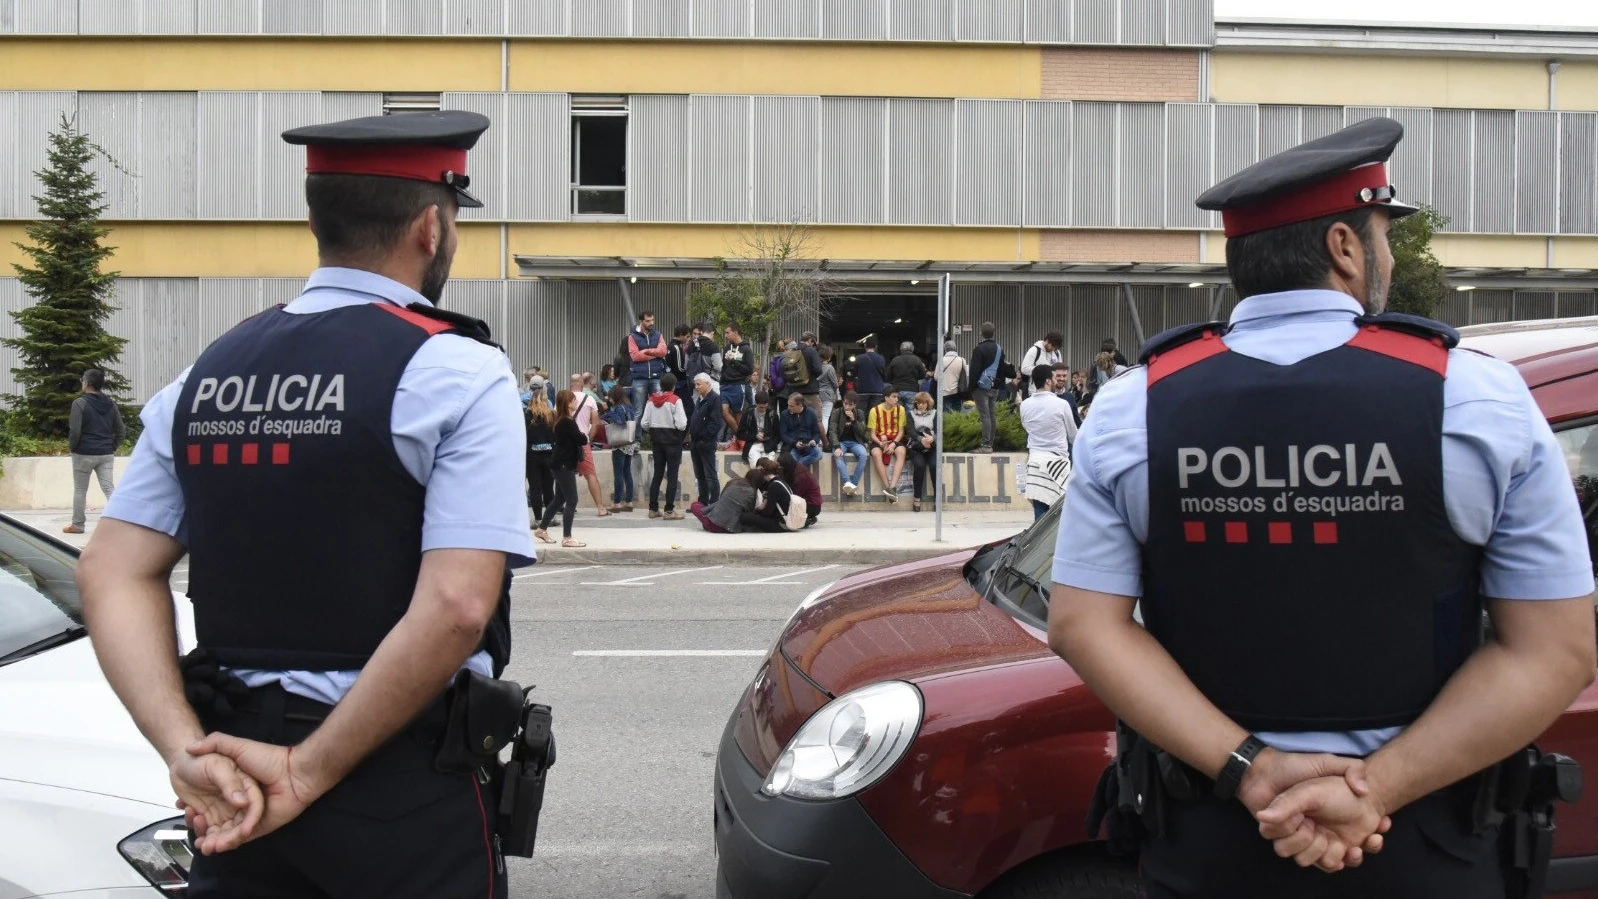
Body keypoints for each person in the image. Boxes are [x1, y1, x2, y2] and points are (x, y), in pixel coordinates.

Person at [1048, 116, 1597, 898]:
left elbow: (1084, 623)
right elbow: (1554, 651)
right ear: (1345, 247)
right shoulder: (1476, 396)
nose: (1389, 255)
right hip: (1427, 846)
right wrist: (1373, 788)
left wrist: (1254, 768)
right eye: (1383, 234)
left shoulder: (1133, 406)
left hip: (1212, 841)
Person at [75, 109, 531, 898]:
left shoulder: (204, 375)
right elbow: (458, 603)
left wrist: (186, 751)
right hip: (394, 782)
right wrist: (306, 770)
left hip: (231, 779)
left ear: (315, 219)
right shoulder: (457, 369)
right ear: (431, 226)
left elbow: (111, 570)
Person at [66, 367, 126, 534]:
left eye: (83, 380)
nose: (82, 382)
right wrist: (112, 447)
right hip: (106, 454)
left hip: (83, 453)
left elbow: (75, 431)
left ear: (87, 383)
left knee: (80, 490)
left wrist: (73, 447)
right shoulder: (111, 404)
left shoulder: (79, 403)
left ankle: (77, 525)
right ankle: (121, 522)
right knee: (109, 488)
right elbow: (121, 430)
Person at [1019, 364, 1076, 520]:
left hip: (1035, 460)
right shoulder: (1062, 404)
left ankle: (1039, 542)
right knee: (1061, 511)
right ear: (1048, 381)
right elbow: (1073, 435)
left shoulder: (1024, 405)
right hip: (1059, 461)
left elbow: (1026, 427)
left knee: (1040, 509)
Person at [535, 388, 588, 548]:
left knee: (559, 498)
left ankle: (542, 529)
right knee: (572, 500)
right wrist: (584, 435)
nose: (576, 401)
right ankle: (567, 537)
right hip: (564, 465)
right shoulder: (567, 421)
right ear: (568, 403)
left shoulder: (561, 419)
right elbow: (581, 439)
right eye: (573, 400)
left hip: (560, 463)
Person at [642, 373, 687, 521]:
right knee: (672, 475)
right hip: (673, 441)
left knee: (657, 474)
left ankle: (653, 508)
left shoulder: (650, 400)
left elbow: (644, 424)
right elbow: (681, 424)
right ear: (673, 386)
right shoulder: (675, 400)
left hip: (657, 441)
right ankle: (669, 510)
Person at [569, 384, 610, 516]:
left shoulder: (563, 398)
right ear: (581, 386)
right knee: (591, 475)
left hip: (566, 444)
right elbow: (596, 422)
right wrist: (588, 439)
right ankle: (600, 508)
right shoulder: (589, 399)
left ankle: (565, 507)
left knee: (565, 476)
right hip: (583, 443)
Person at [691, 467, 767, 534]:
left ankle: (707, 520)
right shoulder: (753, 492)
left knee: (695, 505)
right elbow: (749, 513)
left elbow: (721, 499)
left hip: (712, 523)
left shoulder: (734, 482)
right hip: (730, 527)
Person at [687, 372, 724, 506]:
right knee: (700, 475)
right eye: (695, 384)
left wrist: (704, 437)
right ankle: (702, 502)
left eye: (699, 384)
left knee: (710, 475)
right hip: (695, 443)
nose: (696, 387)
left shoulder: (715, 399)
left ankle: (714, 503)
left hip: (706, 443)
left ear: (708, 384)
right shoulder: (700, 399)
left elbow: (716, 423)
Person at [602, 384, 638, 513]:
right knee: (627, 473)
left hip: (619, 444)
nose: (609, 399)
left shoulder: (618, 408)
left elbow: (619, 421)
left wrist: (607, 412)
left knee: (618, 474)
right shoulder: (629, 407)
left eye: (610, 397)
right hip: (629, 443)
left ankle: (617, 503)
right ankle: (628, 501)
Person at [969, 322, 1004, 454]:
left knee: (985, 416)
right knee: (991, 415)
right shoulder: (999, 349)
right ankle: (990, 444)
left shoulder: (979, 349)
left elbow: (974, 370)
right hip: (994, 387)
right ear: (993, 333)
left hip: (981, 388)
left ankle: (985, 445)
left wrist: (971, 387)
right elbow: (1001, 369)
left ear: (981, 333)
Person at [867, 389, 909, 503]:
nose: (896, 399)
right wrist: (881, 443)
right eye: (894, 397)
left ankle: (893, 487)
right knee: (876, 453)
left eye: (897, 397)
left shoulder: (901, 409)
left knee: (901, 451)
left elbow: (901, 432)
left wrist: (894, 443)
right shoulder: (874, 410)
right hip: (879, 439)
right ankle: (887, 487)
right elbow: (872, 434)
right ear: (886, 398)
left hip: (895, 439)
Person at [524, 379, 556, 523]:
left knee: (535, 487)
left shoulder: (527, 414)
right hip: (549, 454)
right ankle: (550, 518)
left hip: (532, 456)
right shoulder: (551, 414)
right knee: (548, 487)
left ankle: (537, 519)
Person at [829, 391, 870, 496]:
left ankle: (853, 485)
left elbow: (862, 432)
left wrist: (853, 420)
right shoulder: (837, 412)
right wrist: (837, 447)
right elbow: (832, 431)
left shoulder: (859, 413)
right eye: (845, 403)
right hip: (840, 442)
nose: (847, 406)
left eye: (850, 405)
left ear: (855, 405)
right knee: (838, 455)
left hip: (855, 442)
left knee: (863, 455)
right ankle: (847, 482)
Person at [721, 323, 755, 447]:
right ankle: (741, 437)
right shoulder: (726, 348)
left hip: (738, 384)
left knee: (737, 413)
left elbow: (749, 369)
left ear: (735, 332)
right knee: (723, 411)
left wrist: (734, 361)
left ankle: (742, 441)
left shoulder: (746, 349)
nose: (726, 335)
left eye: (727, 332)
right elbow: (724, 367)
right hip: (725, 384)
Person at [627, 310, 669, 412]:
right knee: (639, 410)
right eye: (648, 321)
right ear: (641, 321)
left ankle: (656, 428)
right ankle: (637, 429)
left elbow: (663, 351)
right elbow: (635, 356)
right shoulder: (632, 337)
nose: (651, 323)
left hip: (656, 377)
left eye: (652, 320)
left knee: (659, 408)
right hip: (639, 378)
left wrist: (647, 351)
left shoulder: (658, 335)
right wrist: (654, 355)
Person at [765, 455, 823, 528]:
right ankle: (805, 518)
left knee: (786, 504)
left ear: (786, 466)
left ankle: (802, 520)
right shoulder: (794, 468)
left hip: (812, 506)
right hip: (808, 503)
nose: (780, 470)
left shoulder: (800, 476)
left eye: (781, 467)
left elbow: (794, 496)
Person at [905, 391, 938, 513]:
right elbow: (911, 431)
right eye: (918, 403)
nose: (920, 405)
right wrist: (922, 439)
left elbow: (939, 430)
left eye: (923, 403)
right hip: (916, 446)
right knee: (919, 466)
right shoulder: (910, 414)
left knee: (935, 466)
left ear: (928, 403)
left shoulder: (935, 413)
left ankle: (937, 499)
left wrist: (932, 439)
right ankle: (917, 498)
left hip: (932, 445)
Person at [743, 466, 800, 533]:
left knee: (746, 516)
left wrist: (758, 512)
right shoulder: (781, 481)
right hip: (787, 519)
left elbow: (768, 512)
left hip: (782, 524)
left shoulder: (774, 486)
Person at [738, 390, 782, 466]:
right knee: (755, 467)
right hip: (753, 445)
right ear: (756, 404)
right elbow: (740, 434)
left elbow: (778, 435)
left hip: (769, 446)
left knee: (769, 468)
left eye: (765, 407)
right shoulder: (749, 414)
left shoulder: (772, 415)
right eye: (761, 407)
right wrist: (755, 436)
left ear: (767, 404)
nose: (763, 409)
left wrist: (771, 443)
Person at [1015, 331, 1064, 400]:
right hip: (1035, 392)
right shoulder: (1035, 350)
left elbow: (1059, 368)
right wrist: (1042, 371)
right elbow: (1024, 369)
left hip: (1053, 392)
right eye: (1052, 346)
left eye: (1056, 347)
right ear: (1047, 341)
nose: (1053, 349)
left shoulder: (1056, 353)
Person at [779, 392, 823, 467]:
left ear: (800, 405)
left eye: (791, 406)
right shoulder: (784, 414)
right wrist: (794, 443)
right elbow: (783, 434)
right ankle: (799, 467)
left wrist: (814, 440)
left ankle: (798, 466)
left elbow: (817, 433)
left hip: (808, 444)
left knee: (819, 454)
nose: (788, 408)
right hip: (793, 445)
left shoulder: (811, 413)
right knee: (790, 460)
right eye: (788, 405)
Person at [885, 341, 928, 408]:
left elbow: (888, 376)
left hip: (897, 389)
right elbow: (923, 374)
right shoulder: (917, 359)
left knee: (898, 411)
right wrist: (915, 378)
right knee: (910, 413)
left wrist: (895, 381)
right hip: (912, 389)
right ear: (912, 349)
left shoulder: (895, 360)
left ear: (901, 349)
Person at [853, 336, 888, 412]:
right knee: (874, 415)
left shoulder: (859, 358)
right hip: (877, 390)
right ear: (876, 346)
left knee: (860, 414)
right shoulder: (881, 359)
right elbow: (884, 375)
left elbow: (854, 373)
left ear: (865, 346)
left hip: (862, 390)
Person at [815, 344, 840, 444]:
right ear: (829, 357)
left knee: (817, 418)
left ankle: (816, 439)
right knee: (825, 417)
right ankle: (822, 441)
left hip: (816, 394)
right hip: (828, 395)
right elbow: (835, 384)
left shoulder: (815, 367)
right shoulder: (830, 368)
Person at [936, 341, 967, 413]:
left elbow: (936, 377)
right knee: (956, 415)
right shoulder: (962, 360)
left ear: (945, 349)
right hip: (957, 391)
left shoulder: (941, 360)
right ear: (955, 348)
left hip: (944, 392)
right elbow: (965, 375)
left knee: (945, 414)